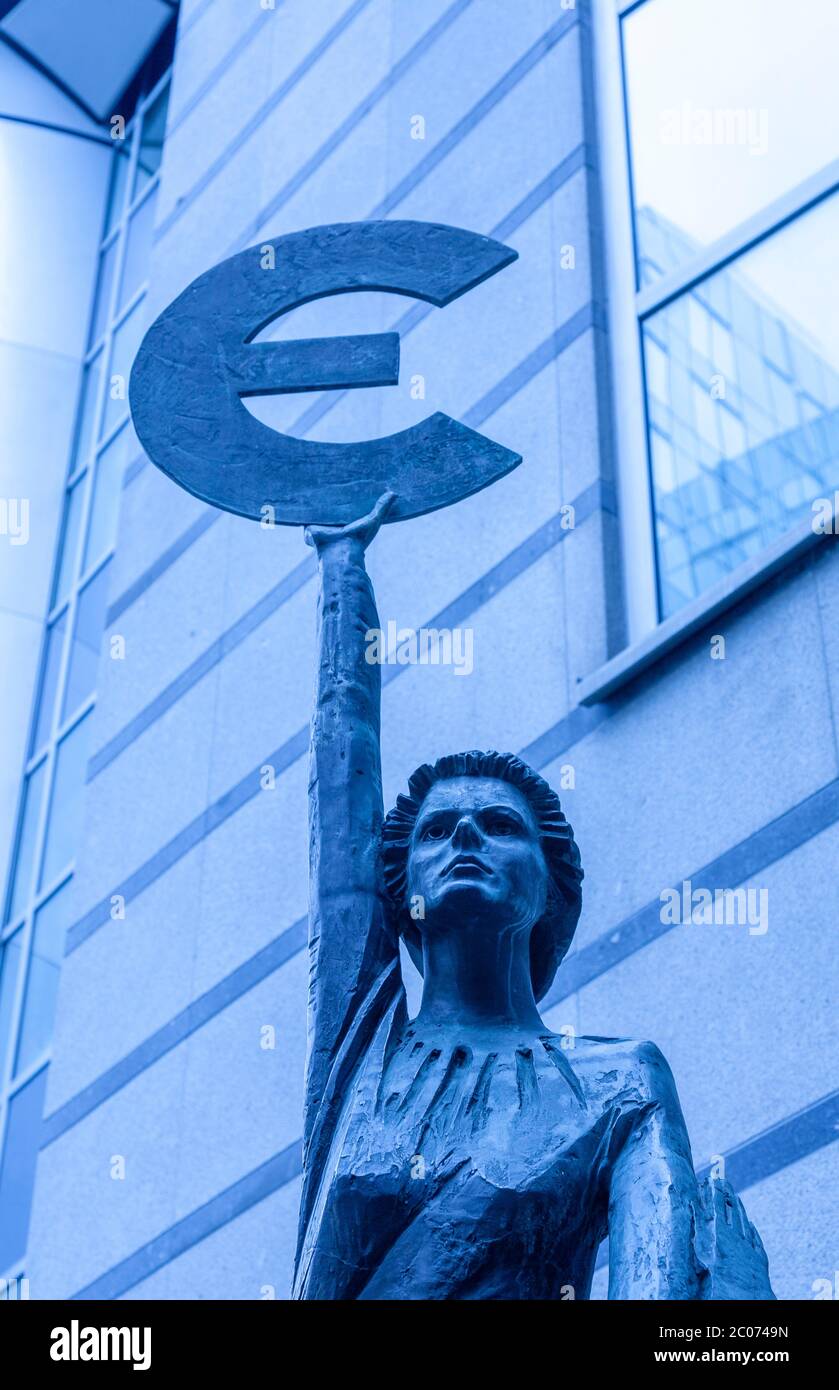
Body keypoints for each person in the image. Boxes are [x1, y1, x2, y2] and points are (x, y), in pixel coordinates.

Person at [292, 493, 773, 1301]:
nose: (466, 838)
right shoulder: (360, 1052)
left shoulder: (621, 1081)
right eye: (437, 830)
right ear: (398, 890)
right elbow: (342, 782)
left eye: (497, 825)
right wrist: (344, 573)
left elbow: (652, 1294)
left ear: (552, 888)